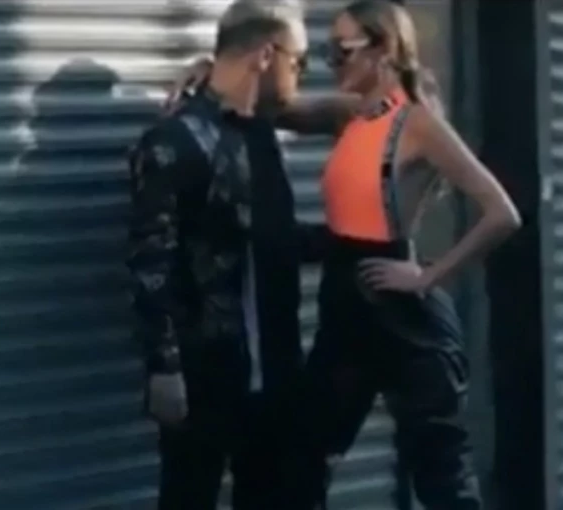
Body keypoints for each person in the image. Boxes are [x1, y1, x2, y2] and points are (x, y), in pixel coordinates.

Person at [166, 2, 520, 509]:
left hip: (399, 309)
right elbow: (271, 102)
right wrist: (213, 67)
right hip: (344, 304)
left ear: (383, 50)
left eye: (342, 51)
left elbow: (502, 213)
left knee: (442, 475)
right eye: (325, 50)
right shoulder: (349, 114)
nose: (330, 62)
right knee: (300, 463)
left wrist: (428, 277)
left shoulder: (417, 123)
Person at [126, 3, 324, 509]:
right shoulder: (176, 140)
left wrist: (360, 244)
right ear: (267, 55)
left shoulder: (259, 134)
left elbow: (270, 236)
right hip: (206, 371)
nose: (302, 73)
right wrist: (163, 365)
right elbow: (151, 258)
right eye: (299, 61)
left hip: (276, 372)